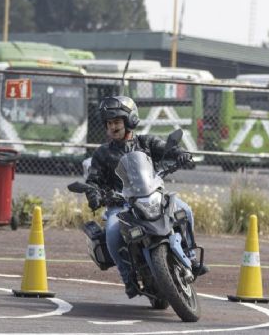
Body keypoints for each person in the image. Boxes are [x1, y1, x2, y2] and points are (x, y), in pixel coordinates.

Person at [85, 96, 209, 299]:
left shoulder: (146, 142)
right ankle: (128, 279)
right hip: (122, 205)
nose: (113, 127)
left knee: (184, 210)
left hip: (152, 195)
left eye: (117, 122)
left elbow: (167, 149)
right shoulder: (102, 153)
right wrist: (94, 194)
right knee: (112, 232)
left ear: (129, 121)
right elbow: (93, 180)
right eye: (109, 123)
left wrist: (180, 154)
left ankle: (191, 257)